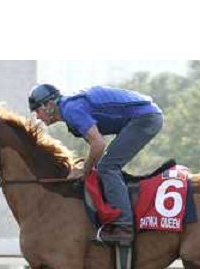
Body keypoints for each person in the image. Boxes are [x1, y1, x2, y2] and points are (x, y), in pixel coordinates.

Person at [28, 83, 163, 246]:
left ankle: (124, 227)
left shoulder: (71, 110)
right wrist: (86, 166)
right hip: (141, 117)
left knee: (107, 167)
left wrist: (83, 171)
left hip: (145, 118)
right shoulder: (70, 111)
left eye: (37, 110)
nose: (37, 117)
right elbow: (97, 149)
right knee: (105, 166)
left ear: (49, 105)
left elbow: (98, 145)